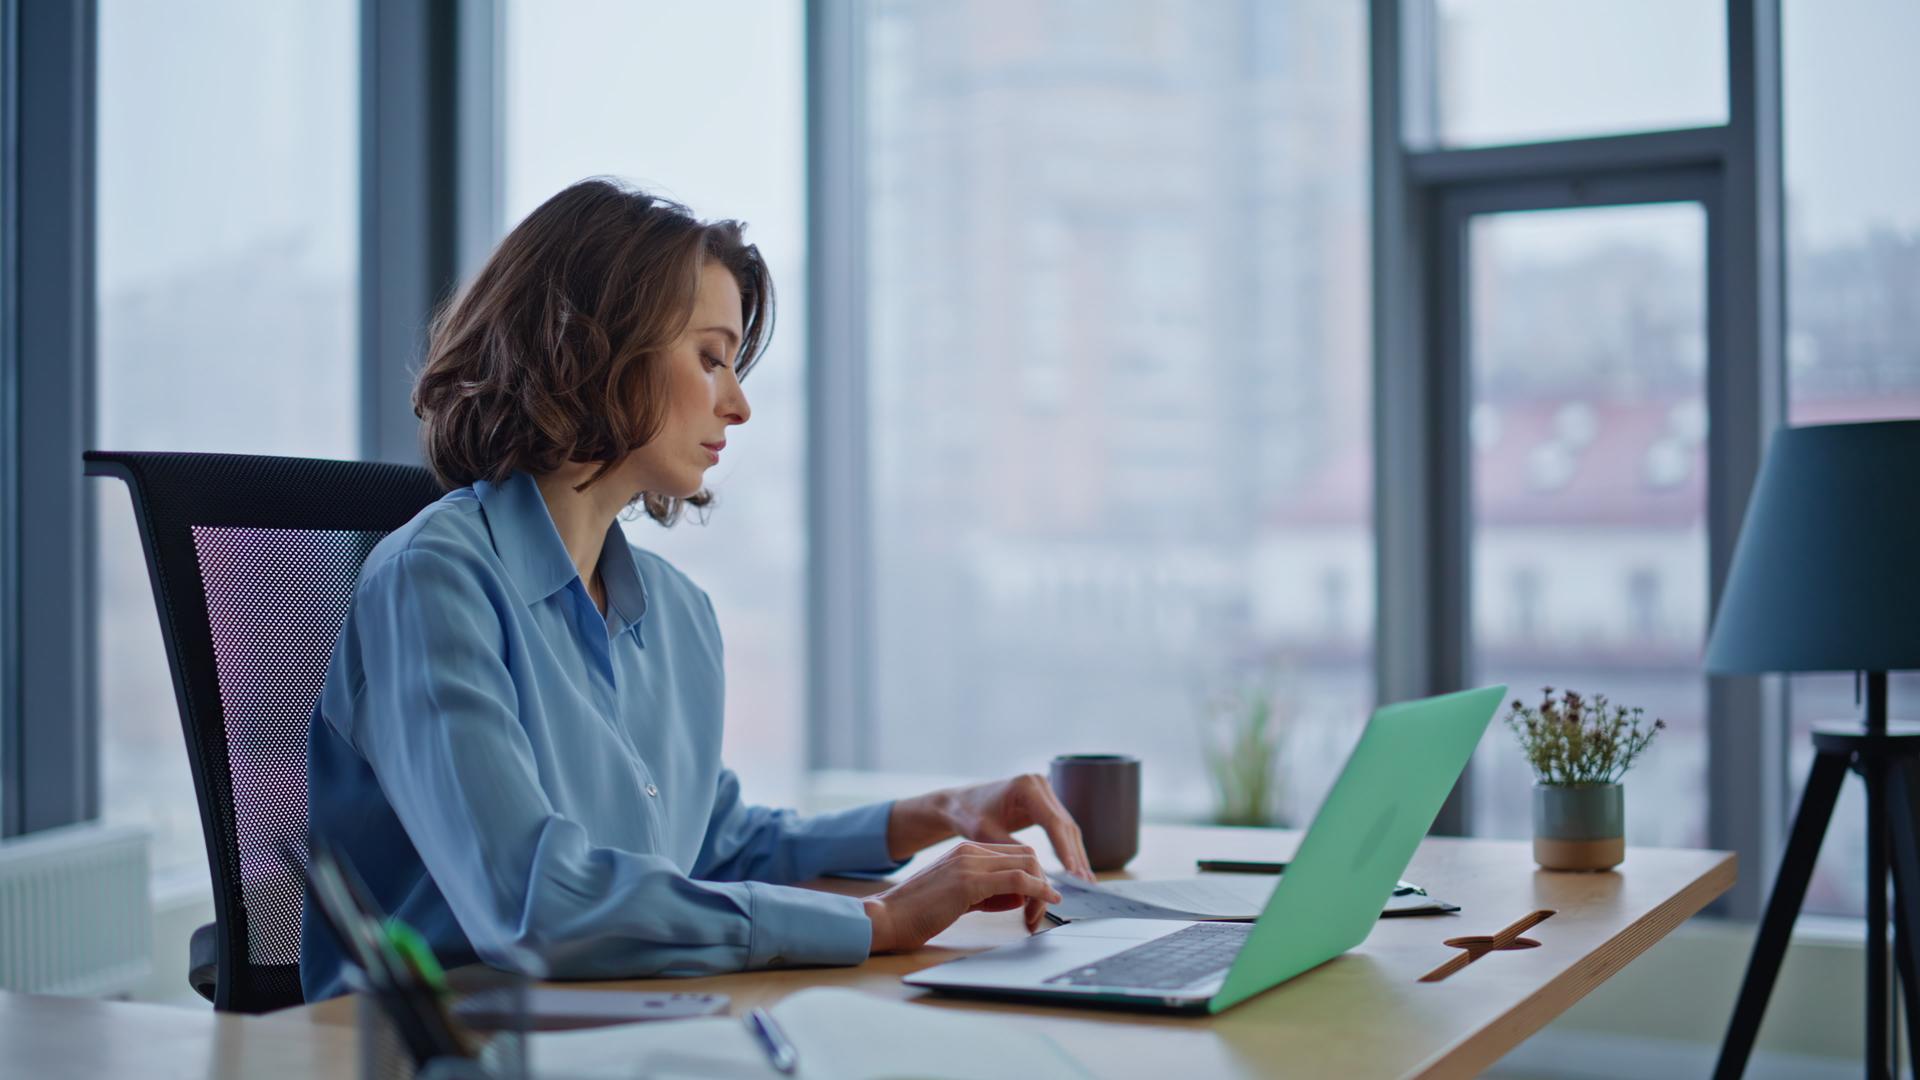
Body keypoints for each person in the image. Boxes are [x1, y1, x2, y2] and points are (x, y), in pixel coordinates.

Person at [299, 179, 1094, 1002]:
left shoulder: (678, 616)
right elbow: (536, 904)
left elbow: (716, 845)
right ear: (594, 346)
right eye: (710, 358)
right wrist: (877, 922)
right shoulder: (432, 582)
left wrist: (941, 813)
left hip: (629, 1025)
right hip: (441, 1047)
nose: (739, 404)